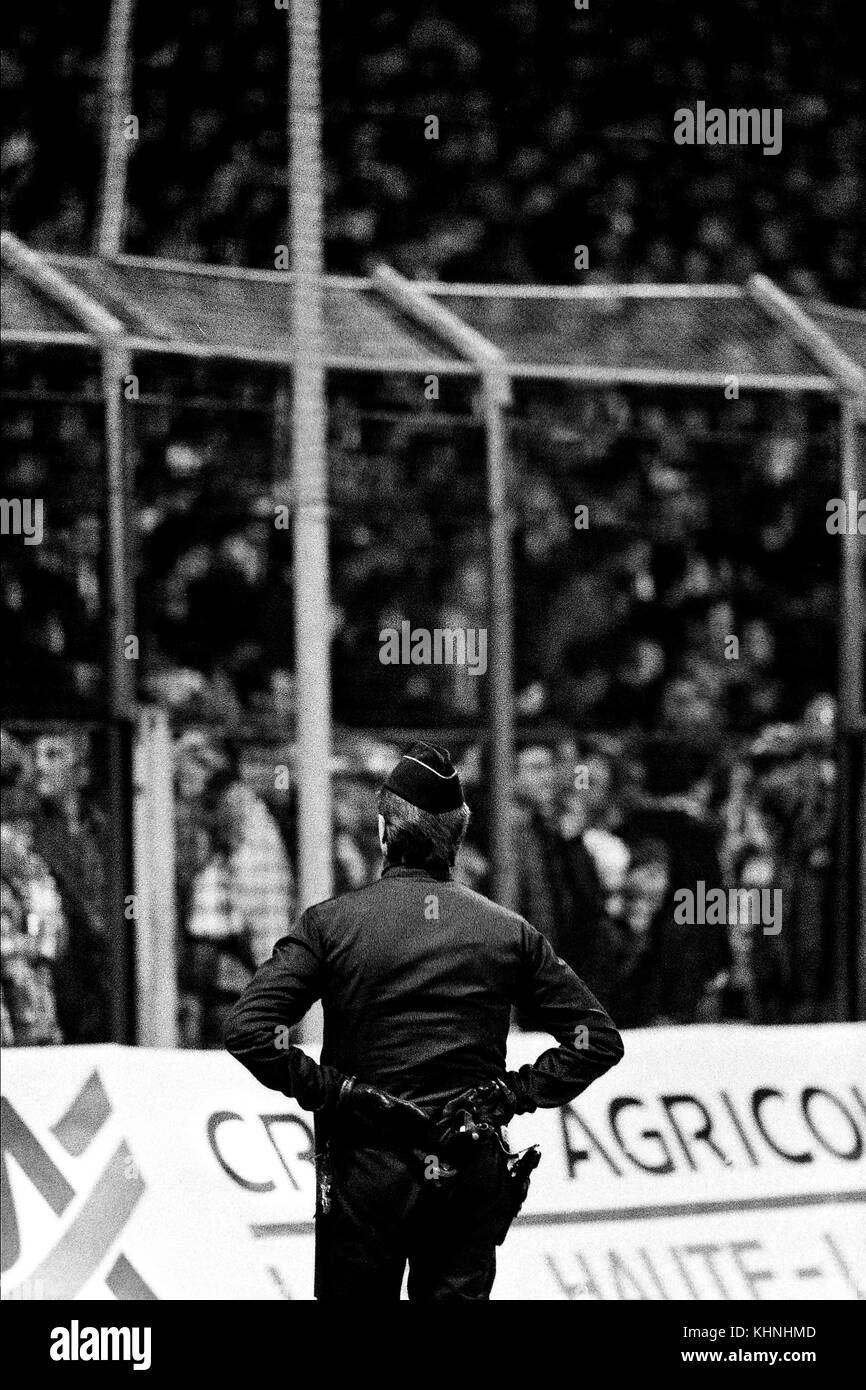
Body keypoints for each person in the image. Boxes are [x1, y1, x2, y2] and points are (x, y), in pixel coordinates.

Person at [225, 741, 624, 1301]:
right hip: (465, 1163)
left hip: (366, 1172)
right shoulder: (507, 932)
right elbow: (595, 1041)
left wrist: (338, 1091)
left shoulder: (333, 925)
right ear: (458, 838)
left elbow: (249, 1030)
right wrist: (510, 1095)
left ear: (384, 831)